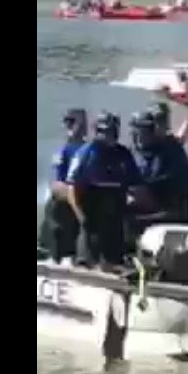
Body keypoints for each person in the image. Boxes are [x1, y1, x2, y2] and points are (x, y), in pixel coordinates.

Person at [66, 112, 146, 267]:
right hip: (91, 215)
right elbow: (72, 188)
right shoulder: (85, 153)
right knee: (88, 263)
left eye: (112, 131)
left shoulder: (124, 154)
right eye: (104, 131)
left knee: (114, 261)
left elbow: (137, 186)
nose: (109, 136)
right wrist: (81, 217)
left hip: (115, 216)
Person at [128, 110, 188, 231]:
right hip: (137, 215)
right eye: (134, 132)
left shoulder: (172, 151)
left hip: (168, 216)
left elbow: (169, 184)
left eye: (143, 132)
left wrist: (142, 189)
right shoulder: (132, 152)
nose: (138, 137)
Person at [42, 108, 88, 261]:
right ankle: (54, 253)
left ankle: (71, 254)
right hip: (66, 195)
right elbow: (57, 181)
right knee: (53, 207)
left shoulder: (88, 149)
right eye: (68, 123)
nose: (72, 127)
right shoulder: (63, 149)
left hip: (83, 193)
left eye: (74, 123)